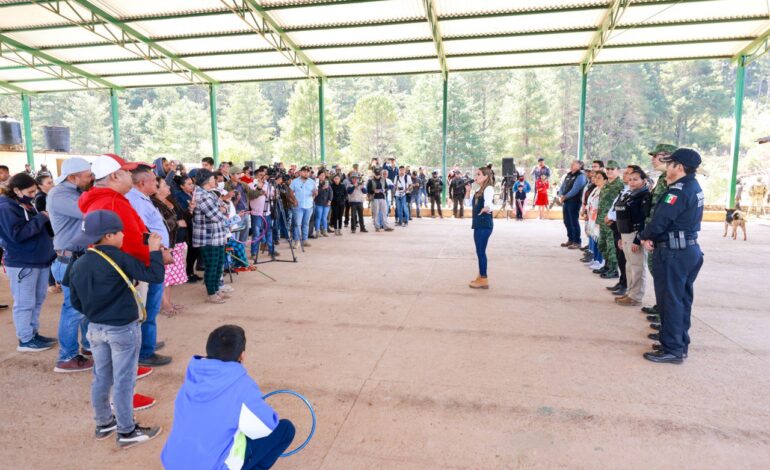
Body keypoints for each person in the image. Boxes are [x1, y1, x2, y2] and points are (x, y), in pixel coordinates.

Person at [64, 210, 164, 448]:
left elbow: (75, 301)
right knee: (123, 380)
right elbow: (155, 275)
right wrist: (154, 250)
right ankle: (127, 431)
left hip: (95, 328)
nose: (122, 236)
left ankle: (103, 423)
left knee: (102, 377)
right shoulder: (119, 257)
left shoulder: (79, 262)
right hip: (122, 329)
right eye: (120, 232)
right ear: (109, 235)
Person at [78, 154, 160, 409]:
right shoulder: (111, 203)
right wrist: (155, 256)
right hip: (125, 277)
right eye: (127, 171)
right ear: (114, 176)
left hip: (113, 279)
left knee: (114, 348)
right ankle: (123, 399)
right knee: (124, 340)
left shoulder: (109, 200)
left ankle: (118, 394)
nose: (131, 176)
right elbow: (133, 242)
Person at [161, 325, 295, 469]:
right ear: (242, 355)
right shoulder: (242, 386)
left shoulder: (191, 379)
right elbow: (266, 427)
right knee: (286, 429)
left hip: (172, 463)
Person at [639, 148, 705, 364]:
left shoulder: (677, 191)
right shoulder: (692, 186)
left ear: (679, 167)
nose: (667, 168)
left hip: (674, 252)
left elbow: (661, 220)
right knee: (681, 300)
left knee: (670, 302)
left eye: (670, 164)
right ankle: (678, 343)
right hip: (687, 250)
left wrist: (646, 236)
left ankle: (673, 349)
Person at [0, 173, 57, 352]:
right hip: (22, 262)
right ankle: (25, 339)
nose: (33, 194)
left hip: (38, 261)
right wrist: (41, 217)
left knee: (37, 300)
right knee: (24, 302)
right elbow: (17, 235)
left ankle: (32, 333)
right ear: (16, 190)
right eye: (30, 191)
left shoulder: (22, 203)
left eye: (34, 191)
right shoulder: (6, 207)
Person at [47, 158, 95, 372]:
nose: (91, 178)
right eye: (87, 175)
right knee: (73, 310)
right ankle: (66, 358)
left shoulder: (73, 192)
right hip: (69, 260)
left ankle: (87, 346)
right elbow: (90, 211)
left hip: (76, 258)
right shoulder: (60, 194)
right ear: (72, 177)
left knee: (84, 308)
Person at [125, 165, 172, 367]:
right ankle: (145, 351)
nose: (157, 182)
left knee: (151, 306)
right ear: (142, 182)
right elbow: (142, 233)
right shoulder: (135, 200)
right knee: (149, 307)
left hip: (154, 256)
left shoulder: (142, 199)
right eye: (153, 180)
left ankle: (148, 342)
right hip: (149, 257)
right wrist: (160, 251)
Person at [641, 144, 676, 317]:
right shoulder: (663, 178)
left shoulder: (673, 180)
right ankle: (660, 306)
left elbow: (667, 212)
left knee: (666, 279)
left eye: (656, 155)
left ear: (668, 157)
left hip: (664, 237)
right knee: (658, 276)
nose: (653, 159)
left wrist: (653, 234)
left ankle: (665, 315)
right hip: (656, 234)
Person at [614, 167, 651, 307]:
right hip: (625, 234)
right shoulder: (630, 194)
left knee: (637, 267)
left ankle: (636, 296)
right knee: (629, 266)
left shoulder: (645, 196)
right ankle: (630, 292)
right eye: (630, 180)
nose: (632, 182)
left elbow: (644, 220)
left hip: (635, 234)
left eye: (635, 179)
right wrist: (620, 237)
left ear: (644, 180)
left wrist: (638, 239)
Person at [193, 169, 230, 304]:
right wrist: (222, 210)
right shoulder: (202, 195)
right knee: (212, 266)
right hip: (208, 238)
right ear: (209, 180)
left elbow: (224, 206)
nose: (216, 180)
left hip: (217, 236)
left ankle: (216, 289)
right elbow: (216, 216)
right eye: (214, 179)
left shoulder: (210, 194)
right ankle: (211, 293)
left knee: (219, 264)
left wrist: (223, 208)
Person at [152, 177, 188, 316]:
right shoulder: (154, 204)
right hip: (165, 245)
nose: (168, 187)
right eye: (164, 185)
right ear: (157, 189)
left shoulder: (170, 200)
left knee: (171, 276)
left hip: (176, 242)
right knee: (165, 276)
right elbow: (160, 226)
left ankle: (169, 301)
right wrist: (177, 224)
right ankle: (164, 304)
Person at [595, 160, 623, 278]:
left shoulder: (620, 185)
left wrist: (615, 218)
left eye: (612, 169)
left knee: (612, 246)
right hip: (603, 220)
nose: (610, 171)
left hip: (612, 222)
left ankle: (613, 269)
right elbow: (601, 203)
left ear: (618, 170)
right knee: (602, 244)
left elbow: (620, 204)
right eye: (608, 169)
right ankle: (606, 265)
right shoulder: (606, 184)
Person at [469, 167, 495, 289]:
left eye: (478, 174)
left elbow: (489, 203)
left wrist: (487, 208)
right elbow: (470, 204)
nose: (476, 176)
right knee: (479, 251)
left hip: (484, 224)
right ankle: (481, 276)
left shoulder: (488, 189)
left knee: (481, 252)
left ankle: (484, 279)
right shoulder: (479, 189)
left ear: (485, 177)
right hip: (479, 224)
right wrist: (468, 191)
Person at [559, 160, 588, 248]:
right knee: (567, 221)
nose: (571, 165)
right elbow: (562, 186)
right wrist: (561, 195)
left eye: (574, 164)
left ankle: (577, 242)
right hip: (566, 201)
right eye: (571, 163)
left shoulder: (581, 176)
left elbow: (576, 189)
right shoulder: (569, 174)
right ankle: (570, 239)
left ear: (580, 166)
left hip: (574, 201)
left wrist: (566, 196)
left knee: (573, 221)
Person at [289, 166, 316, 247]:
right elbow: (290, 191)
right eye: (304, 171)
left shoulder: (312, 182)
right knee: (297, 224)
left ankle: (305, 240)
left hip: (309, 206)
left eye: (308, 172)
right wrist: (294, 200)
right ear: (300, 172)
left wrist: (315, 194)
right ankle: (297, 241)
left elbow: (315, 192)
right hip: (298, 206)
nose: (306, 173)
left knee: (306, 224)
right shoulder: (294, 181)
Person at [584, 171, 606, 271]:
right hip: (592, 218)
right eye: (595, 177)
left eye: (599, 178)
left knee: (599, 240)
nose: (596, 179)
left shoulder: (605, 191)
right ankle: (595, 259)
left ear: (605, 180)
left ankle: (600, 261)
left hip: (599, 220)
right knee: (594, 238)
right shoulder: (596, 189)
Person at [367, 168, 393, 232]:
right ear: (374, 174)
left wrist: (384, 190)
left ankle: (386, 227)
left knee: (384, 213)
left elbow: (387, 188)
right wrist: (374, 191)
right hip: (375, 198)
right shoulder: (370, 181)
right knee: (376, 213)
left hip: (383, 197)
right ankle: (377, 227)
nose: (378, 176)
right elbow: (368, 191)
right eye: (376, 174)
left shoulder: (383, 180)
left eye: (378, 174)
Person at [312, 170, 332, 238]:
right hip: (318, 203)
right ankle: (317, 231)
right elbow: (315, 193)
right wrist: (322, 188)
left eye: (324, 175)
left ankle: (325, 231)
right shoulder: (316, 183)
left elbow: (331, 192)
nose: (323, 176)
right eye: (321, 175)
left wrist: (330, 200)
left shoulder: (327, 182)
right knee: (318, 217)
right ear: (318, 176)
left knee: (324, 218)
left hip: (326, 203)